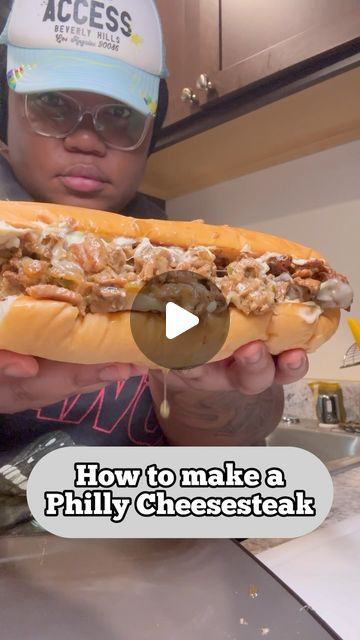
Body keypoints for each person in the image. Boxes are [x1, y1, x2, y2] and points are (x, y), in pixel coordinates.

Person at [0, 0, 308, 531]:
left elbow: (230, 473)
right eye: (51, 103)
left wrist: (206, 389)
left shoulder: (193, 263)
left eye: (121, 114)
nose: (86, 139)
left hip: (155, 569)